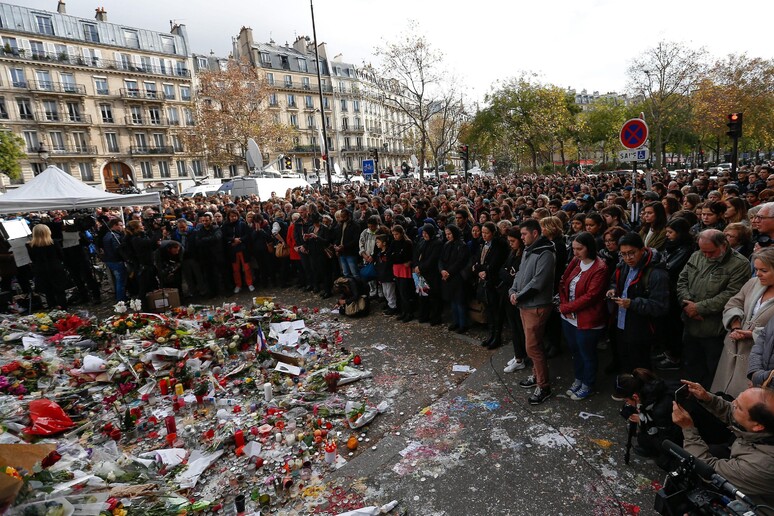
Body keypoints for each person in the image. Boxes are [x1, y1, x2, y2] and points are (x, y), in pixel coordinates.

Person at [672, 382, 774, 509]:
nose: (733, 403)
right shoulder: (766, 423)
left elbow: (710, 470)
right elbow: (735, 414)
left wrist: (688, 429)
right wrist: (707, 398)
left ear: (758, 426)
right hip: (746, 464)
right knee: (715, 450)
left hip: (757, 507)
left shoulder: (761, 465)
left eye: (739, 407)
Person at [677, 229, 750, 389]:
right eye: (703, 251)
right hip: (690, 325)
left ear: (724, 245)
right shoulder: (697, 255)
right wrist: (687, 305)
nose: (707, 256)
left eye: (711, 252)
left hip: (715, 331)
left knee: (713, 373)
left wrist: (699, 308)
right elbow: (682, 280)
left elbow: (732, 295)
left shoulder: (739, 264)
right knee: (690, 368)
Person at [711, 248, 774, 398]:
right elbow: (734, 303)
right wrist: (736, 325)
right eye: (757, 269)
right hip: (731, 351)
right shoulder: (753, 283)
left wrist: (753, 334)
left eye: (763, 270)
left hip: (758, 360)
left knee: (744, 407)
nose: (757, 274)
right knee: (721, 398)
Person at [607, 232, 669, 373]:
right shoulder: (623, 265)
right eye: (623, 254)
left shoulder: (656, 273)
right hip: (621, 323)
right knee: (625, 360)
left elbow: (660, 306)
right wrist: (613, 290)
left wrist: (632, 304)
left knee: (640, 365)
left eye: (632, 253)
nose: (628, 258)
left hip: (641, 329)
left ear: (642, 250)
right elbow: (614, 282)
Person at [510, 219, 556, 405]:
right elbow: (520, 274)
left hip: (536, 305)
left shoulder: (545, 252)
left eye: (524, 234)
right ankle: (536, 376)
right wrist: (513, 291)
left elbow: (538, 282)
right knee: (531, 344)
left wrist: (519, 296)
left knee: (533, 347)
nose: (521, 238)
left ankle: (543, 386)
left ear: (535, 233)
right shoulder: (529, 249)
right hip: (524, 304)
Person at [558, 231, 608, 400]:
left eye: (579, 249)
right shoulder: (575, 261)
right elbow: (564, 281)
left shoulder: (599, 268)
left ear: (589, 248)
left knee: (587, 353)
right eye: (574, 248)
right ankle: (579, 378)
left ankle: (588, 383)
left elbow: (591, 296)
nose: (576, 252)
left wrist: (566, 307)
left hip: (587, 319)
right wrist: (566, 306)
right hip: (569, 317)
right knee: (576, 351)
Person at [613, 369, 683, 469]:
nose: (627, 404)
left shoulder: (661, 410)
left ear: (635, 396)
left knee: (663, 462)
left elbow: (666, 444)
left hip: (683, 437)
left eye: (627, 400)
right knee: (643, 438)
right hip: (673, 425)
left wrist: (643, 421)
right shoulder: (653, 388)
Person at [657, 217, 695, 370]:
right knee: (667, 326)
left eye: (670, 232)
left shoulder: (685, 249)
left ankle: (675, 356)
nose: (667, 235)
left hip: (675, 291)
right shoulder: (672, 246)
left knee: (674, 326)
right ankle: (669, 351)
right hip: (667, 290)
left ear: (680, 233)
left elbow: (669, 267)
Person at [472, 221, 508, 348]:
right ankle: (491, 334)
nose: (484, 235)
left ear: (493, 233)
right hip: (483, 281)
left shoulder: (500, 245)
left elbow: (494, 264)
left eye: (487, 233)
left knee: (495, 311)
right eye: (482, 233)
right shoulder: (482, 243)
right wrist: (479, 270)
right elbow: (476, 260)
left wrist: (483, 269)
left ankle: (497, 337)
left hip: (494, 282)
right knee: (488, 310)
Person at [499, 227, 526, 373]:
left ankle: (520, 358)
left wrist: (507, 274)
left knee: (518, 328)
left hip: (516, 295)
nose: (510, 244)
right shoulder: (512, 252)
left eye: (512, 241)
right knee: (514, 327)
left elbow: (515, 276)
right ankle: (518, 354)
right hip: (508, 292)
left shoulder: (523, 255)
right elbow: (503, 269)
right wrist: (507, 273)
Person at [26, 224, 68, 309]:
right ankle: (64, 310)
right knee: (60, 292)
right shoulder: (54, 242)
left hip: (41, 270)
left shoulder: (30, 246)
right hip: (55, 268)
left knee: (48, 293)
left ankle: (53, 310)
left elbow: (33, 259)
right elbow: (61, 256)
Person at [440, 225, 470, 333]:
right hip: (447, 276)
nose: (447, 236)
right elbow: (441, 259)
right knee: (452, 300)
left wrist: (449, 272)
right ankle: (456, 322)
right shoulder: (446, 245)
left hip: (457, 276)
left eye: (449, 234)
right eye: (446, 234)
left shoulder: (462, 245)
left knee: (460, 301)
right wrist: (442, 270)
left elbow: (461, 261)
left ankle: (463, 324)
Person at [414, 223, 443, 326]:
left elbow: (433, 259)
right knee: (422, 295)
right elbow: (416, 254)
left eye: (426, 233)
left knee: (433, 297)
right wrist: (417, 266)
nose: (424, 235)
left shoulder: (437, 243)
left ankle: (435, 317)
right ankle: (424, 315)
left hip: (432, 274)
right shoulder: (422, 241)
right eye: (423, 233)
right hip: (421, 274)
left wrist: (420, 267)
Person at [221, 210, 255, 294]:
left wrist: (239, 240)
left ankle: (249, 283)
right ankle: (238, 285)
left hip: (243, 249)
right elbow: (224, 237)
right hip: (232, 250)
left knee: (247, 267)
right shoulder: (225, 226)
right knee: (235, 269)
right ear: (228, 217)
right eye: (232, 216)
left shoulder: (242, 224)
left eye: (235, 216)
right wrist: (232, 240)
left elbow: (247, 235)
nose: (233, 218)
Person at [388, 224, 414, 322]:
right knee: (399, 292)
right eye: (393, 234)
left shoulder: (407, 243)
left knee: (405, 292)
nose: (395, 236)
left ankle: (409, 312)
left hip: (404, 270)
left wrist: (397, 257)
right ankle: (403, 311)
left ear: (401, 233)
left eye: (397, 234)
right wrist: (397, 257)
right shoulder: (394, 242)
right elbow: (390, 255)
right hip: (397, 268)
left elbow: (405, 256)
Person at [101, 219, 127, 302]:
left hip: (110, 260)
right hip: (115, 260)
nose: (121, 227)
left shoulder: (107, 235)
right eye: (120, 225)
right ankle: (121, 300)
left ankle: (121, 298)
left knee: (118, 280)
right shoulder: (114, 236)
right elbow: (117, 249)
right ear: (114, 225)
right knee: (120, 281)